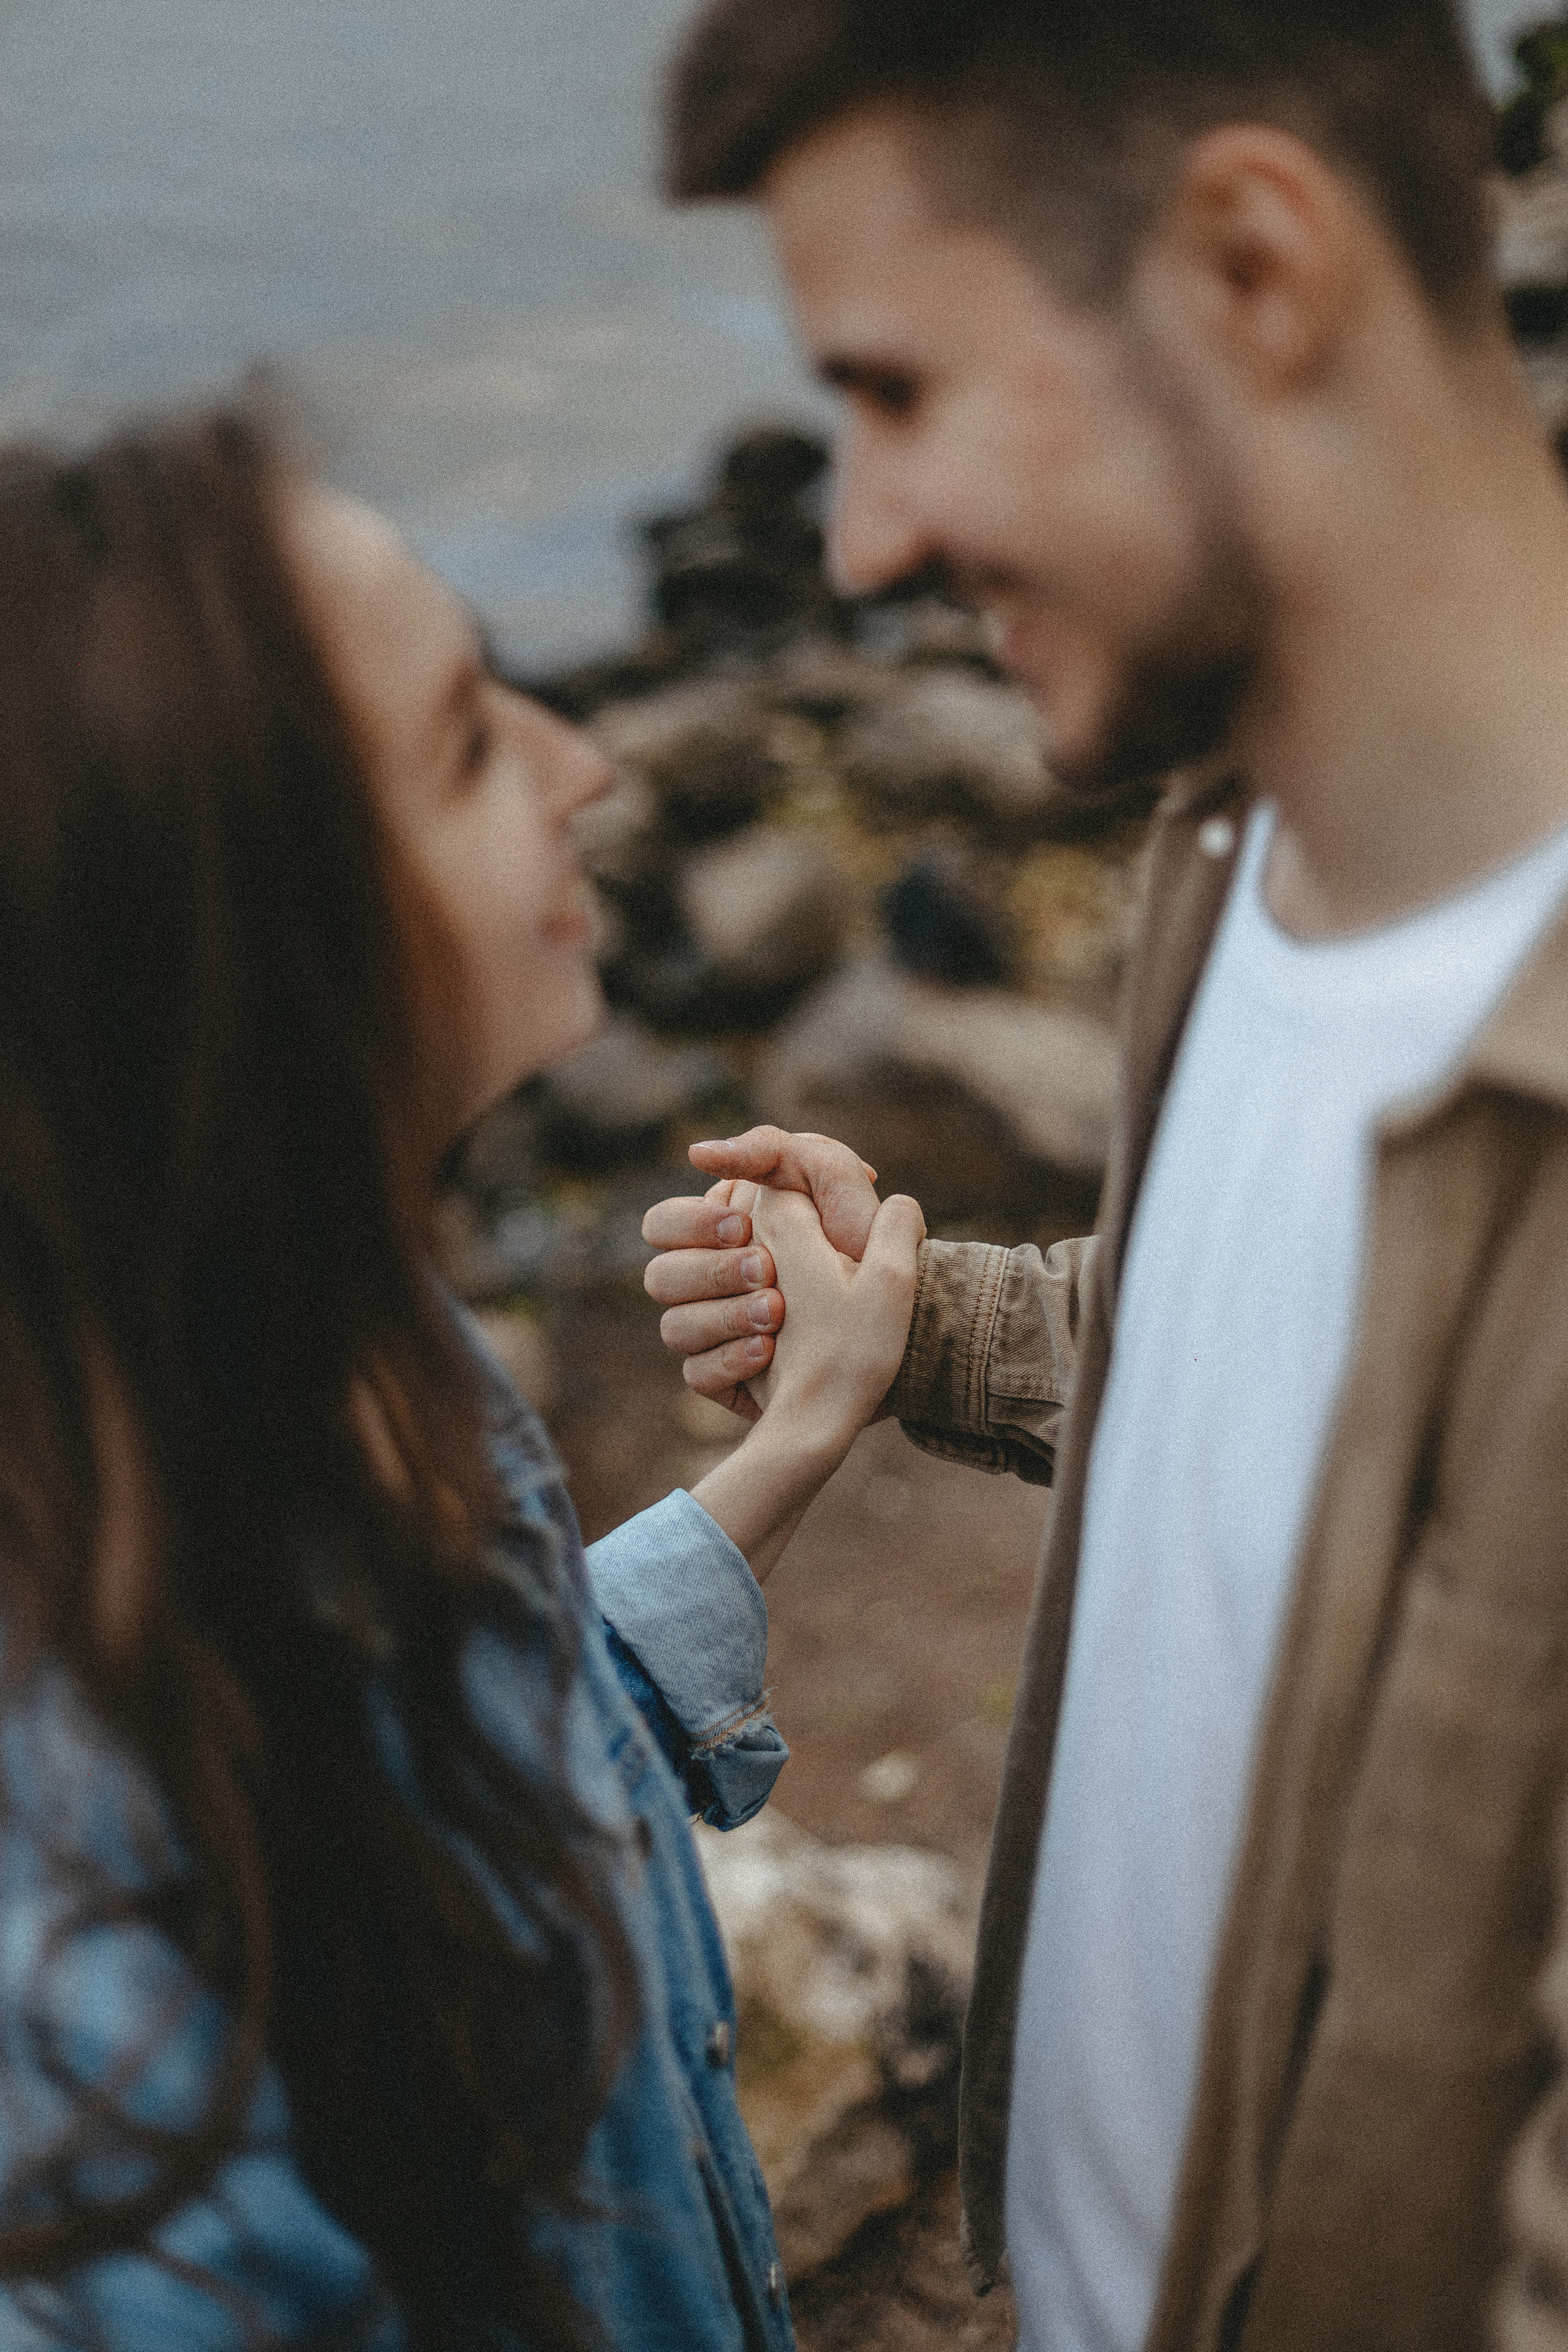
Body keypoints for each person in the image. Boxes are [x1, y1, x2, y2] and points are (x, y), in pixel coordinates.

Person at [639, 2, 1568, 2347]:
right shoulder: (1234, 843)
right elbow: (1286, 1367)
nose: (856, 540)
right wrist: (928, 1320)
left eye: (899, 391)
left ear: (1255, 266)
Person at [0, 406, 924, 2350]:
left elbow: (516, 1740)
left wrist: (806, 1427)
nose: (586, 765)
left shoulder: (351, 1345)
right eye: (467, 743)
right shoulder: (80, 2026)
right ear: (232, 932)